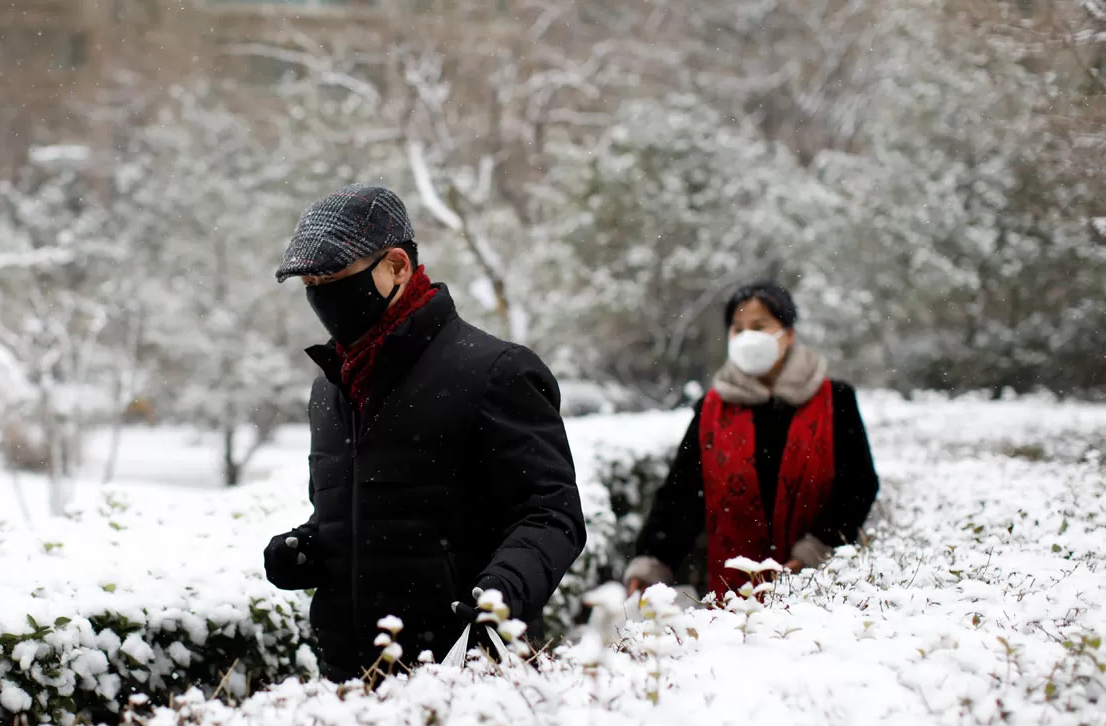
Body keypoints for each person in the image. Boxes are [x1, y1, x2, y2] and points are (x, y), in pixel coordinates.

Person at [263, 184, 586, 681]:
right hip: (345, 682)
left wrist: (500, 596)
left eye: (333, 277)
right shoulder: (329, 390)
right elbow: (372, 509)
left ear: (396, 266)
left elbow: (551, 513)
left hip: (463, 675)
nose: (320, 295)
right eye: (310, 283)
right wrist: (310, 545)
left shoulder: (496, 371)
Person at [626, 280, 878, 599]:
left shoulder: (834, 400)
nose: (748, 337)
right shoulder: (713, 408)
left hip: (818, 587)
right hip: (734, 594)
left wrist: (816, 549)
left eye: (759, 326)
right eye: (738, 328)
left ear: (788, 334)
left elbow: (858, 484)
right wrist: (653, 561)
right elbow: (683, 494)